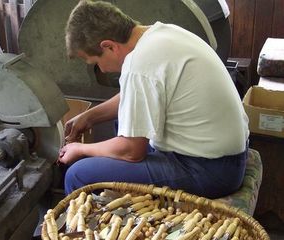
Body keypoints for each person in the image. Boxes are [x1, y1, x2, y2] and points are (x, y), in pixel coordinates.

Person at [58, 0, 249, 198]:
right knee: (122, 123)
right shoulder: (161, 34)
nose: (103, 70)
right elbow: (135, 96)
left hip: (209, 170)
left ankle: (84, 228)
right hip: (226, 158)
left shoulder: (140, 62)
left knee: (77, 175)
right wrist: (89, 117)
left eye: (96, 62)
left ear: (109, 47)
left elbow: (131, 152)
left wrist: (81, 149)